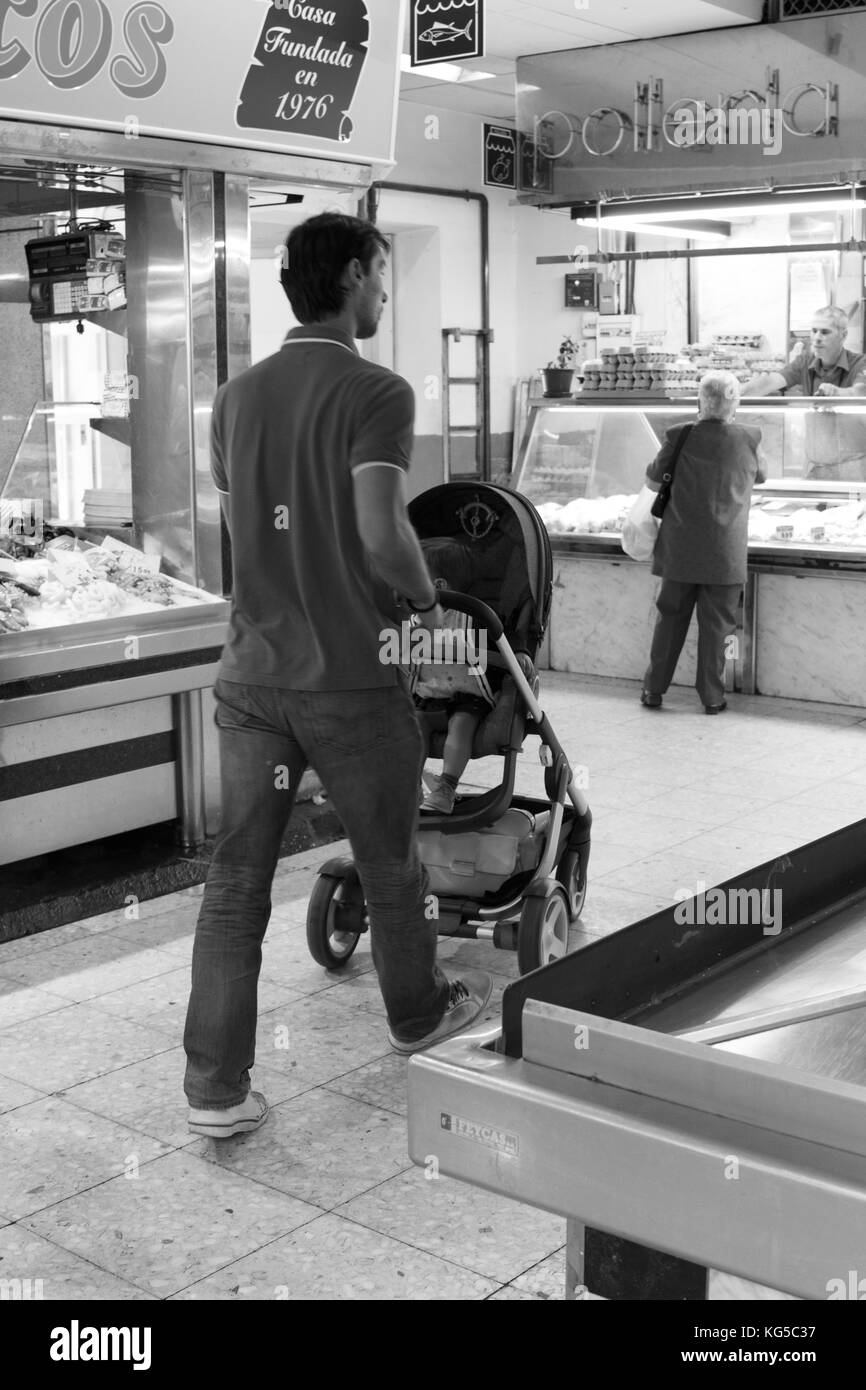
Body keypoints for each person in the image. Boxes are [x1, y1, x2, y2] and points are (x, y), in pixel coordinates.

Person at [183, 213, 492, 1139]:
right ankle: (418, 1014)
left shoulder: (233, 398)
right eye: (382, 276)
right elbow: (377, 528)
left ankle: (216, 1093)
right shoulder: (376, 390)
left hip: (250, 676)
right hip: (352, 676)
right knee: (392, 866)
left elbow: (244, 527)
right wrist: (427, 602)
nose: (386, 293)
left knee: (235, 881)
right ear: (354, 275)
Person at [640, 370, 765, 715]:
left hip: (680, 550)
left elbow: (653, 477)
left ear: (700, 401)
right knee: (722, 628)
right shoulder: (750, 437)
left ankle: (653, 689)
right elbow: (762, 474)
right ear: (735, 403)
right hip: (725, 553)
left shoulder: (679, 435)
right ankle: (713, 695)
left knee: (670, 619)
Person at [414, 537, 496, 816]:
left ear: (438, 587)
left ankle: (446, 787)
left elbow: (498, 645)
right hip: (428, 696)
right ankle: (410, 784)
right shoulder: (413, 617)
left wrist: (518, 653)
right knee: (412, 729)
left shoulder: (472, 618)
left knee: (460, 725)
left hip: (467, 697)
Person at [742, 306, 866, 399]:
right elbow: (771, 381)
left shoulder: (860, 363)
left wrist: (836, 393)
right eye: (814, 331)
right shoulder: (805, 361)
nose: (816, 338)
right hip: (815, 431)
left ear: (843, 335)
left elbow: (860, 392)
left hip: (848, 432)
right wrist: (736, 392)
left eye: (825, 332)